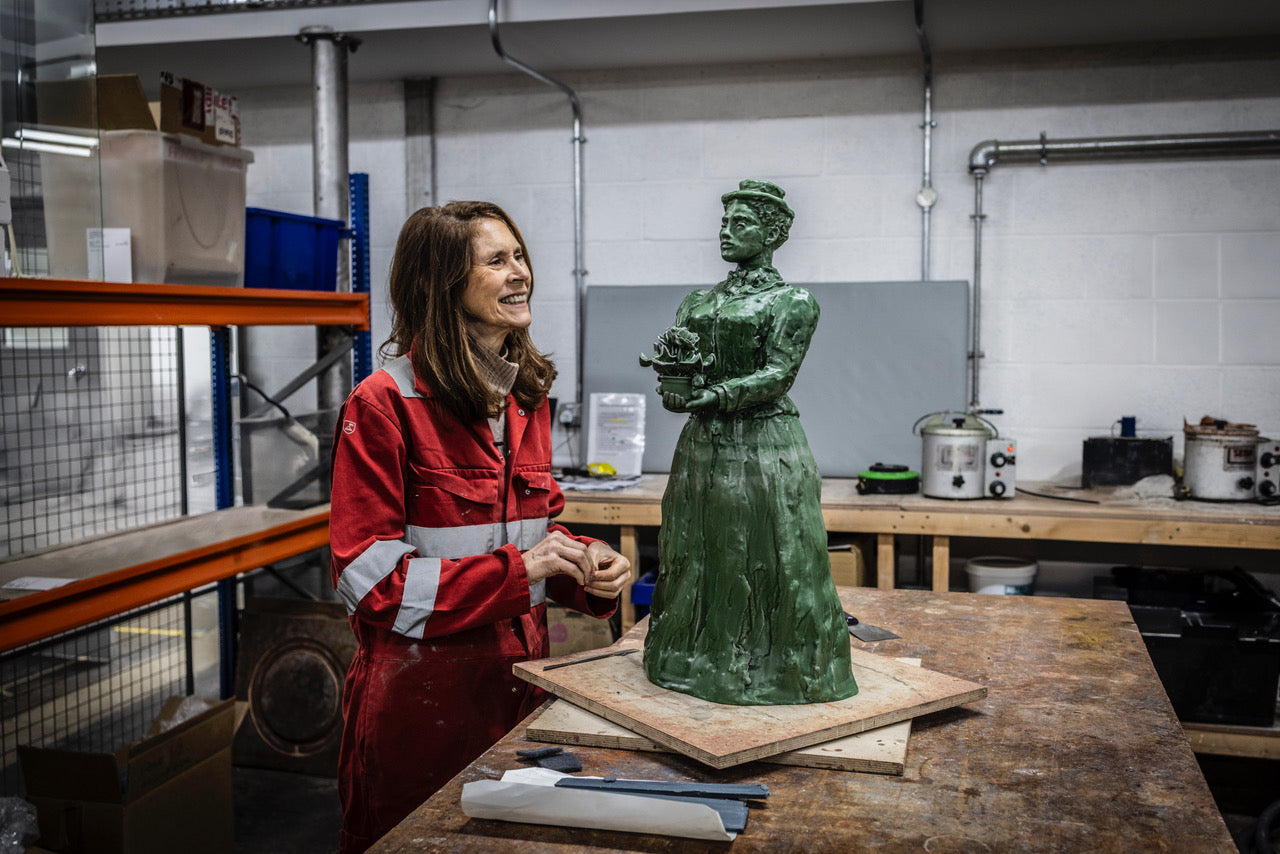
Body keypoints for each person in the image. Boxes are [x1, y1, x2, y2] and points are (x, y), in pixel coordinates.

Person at [328, 201, 631, 853]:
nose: (521, 272)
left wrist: (585, 567)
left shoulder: (524, 398)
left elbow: (532, 537)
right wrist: (524, 571)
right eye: (497, 261)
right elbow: (369, 584)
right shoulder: (383, 405)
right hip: (420, 708)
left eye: (520, 255)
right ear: (442, 284)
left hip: (518, 692)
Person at [642, 179, 858, 705]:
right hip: (703, 444)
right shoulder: (698, 301)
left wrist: (715, 394)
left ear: (772, 235)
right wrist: (677, 385)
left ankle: (777, 669)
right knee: (696, 547)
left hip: (763, 443)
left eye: (741, 224)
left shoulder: (792, 301)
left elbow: (779, 374)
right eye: (724, 222)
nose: (726, 231)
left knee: (769, 554)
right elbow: (685, 362)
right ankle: (693, 657)